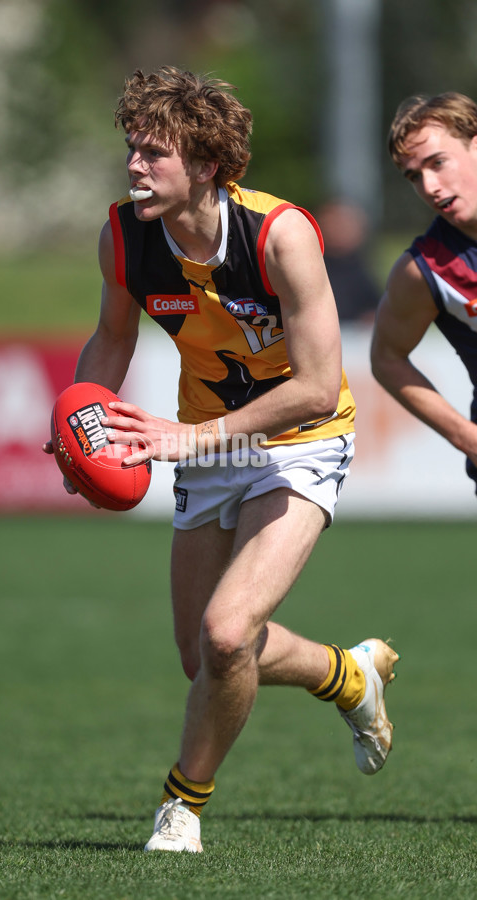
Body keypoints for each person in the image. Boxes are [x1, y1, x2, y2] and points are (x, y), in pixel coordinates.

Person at [45, 66, 399, 852]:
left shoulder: (282, 235)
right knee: (198, 656)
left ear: (208, 165)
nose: (135, 166)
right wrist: (83, 418)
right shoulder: (124, 236)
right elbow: (110, 338)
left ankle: (183, 804)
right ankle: (348, 674)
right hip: (209, 442)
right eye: (132, 149)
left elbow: (314, 387)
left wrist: (189, 437)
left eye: (155, 154)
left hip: (298, 443)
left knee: (229, 635)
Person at [371, 92, 477, 493]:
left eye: (437, 163)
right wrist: (468, 439)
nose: (430, 186)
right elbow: (386, 359)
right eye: (414, 175)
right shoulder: (425, 269)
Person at [315, 198, 381, 323]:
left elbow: (374, 308)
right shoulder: (313, 265)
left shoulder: (360, 267)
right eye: (332, 224)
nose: (337, 230)